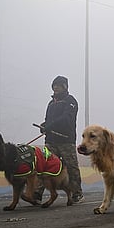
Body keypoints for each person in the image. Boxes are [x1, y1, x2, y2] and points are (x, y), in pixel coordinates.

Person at [35, 75, 84, 203]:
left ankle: (77, 193)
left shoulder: (70, 101)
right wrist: (44, 126)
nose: (55, 88)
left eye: (58, 85)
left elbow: (67, 119)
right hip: (50, 141)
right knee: (44, 165)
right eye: (54, 86)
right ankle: (37, 193)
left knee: (71, 166)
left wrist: (51, 125)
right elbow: (48, 120)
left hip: (66, 141)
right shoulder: (51, 103)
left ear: (65, 87)